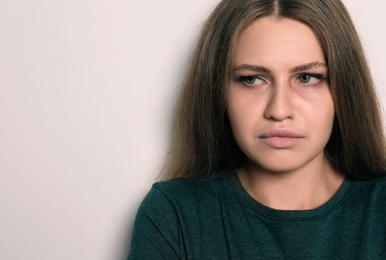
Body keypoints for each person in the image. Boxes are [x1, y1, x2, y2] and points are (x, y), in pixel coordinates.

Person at [128, 0, 386, 258]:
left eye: (307, 77)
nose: (279, 110)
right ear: (218, 92)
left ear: (345, 89)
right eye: (252, 79)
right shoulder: (173, 215)